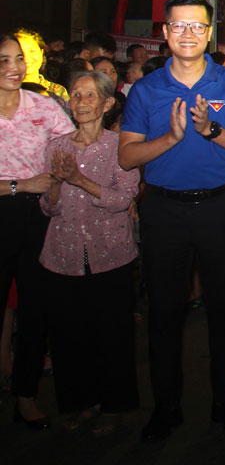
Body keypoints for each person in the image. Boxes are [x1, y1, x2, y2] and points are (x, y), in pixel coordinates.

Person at [119, 0, 225, 441]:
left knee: (224, 311)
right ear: (164, 33)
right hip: (164, 211)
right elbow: (126, 157)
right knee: (164, 314)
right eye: (178, 26)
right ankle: (166, 406)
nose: (188, 34)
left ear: (210, 32)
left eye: (197, 26)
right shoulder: (145, 88)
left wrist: (212, 131)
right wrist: (171, 138)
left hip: (218, 208)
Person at [41, 71, 141, 434]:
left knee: (111, 333)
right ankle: (79, 402)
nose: (81, 102)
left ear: (107, 103)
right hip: (62, 254)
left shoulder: (119, 146)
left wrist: (79, 180)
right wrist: (54, 183)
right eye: (76, 96)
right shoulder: (57, 146)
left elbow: (123, 198)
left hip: (110, 254)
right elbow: (47, 209)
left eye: (89, 96)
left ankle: (114, 405)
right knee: (69, 335)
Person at [0, 31, 75, 429]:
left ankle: (25, 396)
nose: (15, 68)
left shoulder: (45, 107)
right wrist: (19, 185)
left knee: (35, 311)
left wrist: (62, 178)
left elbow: (69, 151)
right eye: (4, 61)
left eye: (18, 59)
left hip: (40, 216)